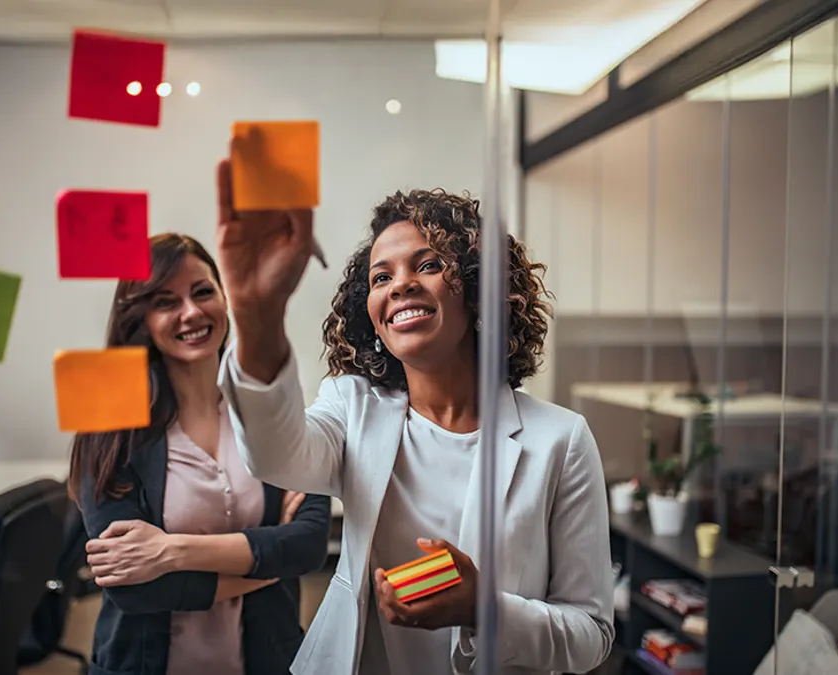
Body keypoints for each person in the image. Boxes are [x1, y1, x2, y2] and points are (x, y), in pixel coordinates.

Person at [211, 155, 615, 675]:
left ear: (476, 288)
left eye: (427, 265)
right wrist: (256, 312)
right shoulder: (351, 407)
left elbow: (591, 635)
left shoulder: (561, 439)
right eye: (382, 277)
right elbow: (275, 455)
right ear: (372, 314)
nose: (400, 284)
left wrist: (481, 610)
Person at [68, 233, 331, 675]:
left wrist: (169, 552)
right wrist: (270, 562)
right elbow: (133, 590)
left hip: (267, 658)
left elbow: (307, 545)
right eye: (166, 301)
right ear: (141, 318)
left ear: (225, 298)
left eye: (203, 291)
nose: (191, 312)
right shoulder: (108, 425)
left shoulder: (267, 406)